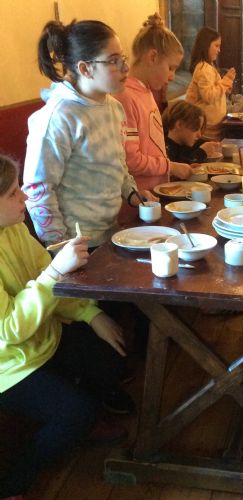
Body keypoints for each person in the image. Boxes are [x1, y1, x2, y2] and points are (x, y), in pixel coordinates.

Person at [0, 155, 133, 498]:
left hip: (42, 338)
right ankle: (13, 484)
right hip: (8, 366)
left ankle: (84, 415)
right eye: (13, 192)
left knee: (113, 358)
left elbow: (43, 281)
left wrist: (91, 315)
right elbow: (10, 330)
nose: (24, 196)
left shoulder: (13, 228)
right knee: (76, 413)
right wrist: (56, 271)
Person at [23, 19, 155, 249]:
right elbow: (38, 189)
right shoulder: (58, 117)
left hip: (110, 234)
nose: (125, 68)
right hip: (74, 244)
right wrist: (61, 247)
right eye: (113, 61)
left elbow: (118, 161)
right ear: (85, 69)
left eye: (123, 58)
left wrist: (131, 193)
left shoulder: (114, 107)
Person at [113, 13, 193, 194]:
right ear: (153, 57)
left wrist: (173, 167)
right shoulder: (124, 96)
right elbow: (131, 161)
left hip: (156, 194)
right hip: (139, 201)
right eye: (171, 68)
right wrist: (170, 167)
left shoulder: (147, 91)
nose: (172, 76)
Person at [185, 27, 236, 141]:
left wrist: (225, 90)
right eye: (216, 46)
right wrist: (226, 81)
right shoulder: (203, 68)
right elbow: (209, 96)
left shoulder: (208, 67)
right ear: (206, 45)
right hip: (206, 128)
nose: (219, 50)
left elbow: (214, 90)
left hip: (213, 125)